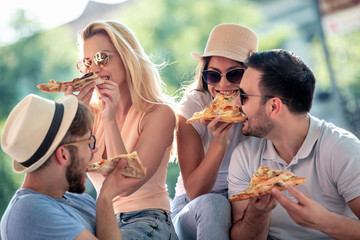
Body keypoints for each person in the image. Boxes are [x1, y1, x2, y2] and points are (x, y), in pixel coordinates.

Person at [228, 49, 360, 239]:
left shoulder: (341, 148)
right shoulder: (244, 156)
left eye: (243, 96)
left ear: (274, 107)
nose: (235, 104)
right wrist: (258, 212)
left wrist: (324, 221)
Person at [67, 21, 178, 239]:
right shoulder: (89, 114)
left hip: (149, 220)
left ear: (127, 57)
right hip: (101, 222)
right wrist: (71, 119)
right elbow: (69, 179)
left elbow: (127, 184)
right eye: (87, 63)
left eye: (102, 58)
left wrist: (110, 118)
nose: (95, 69)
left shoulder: (159, 114)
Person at [171, 23, 258, 239]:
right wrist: (219, 142)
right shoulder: (193, 108)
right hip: (195, 206)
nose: (223, 84)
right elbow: (195, 192)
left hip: (242, 197)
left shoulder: (262, 106)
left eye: (234, 75)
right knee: (214, 204)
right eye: (213, 75)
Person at [0, 94, 125, 239]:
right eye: (88, 142)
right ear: (63, 154)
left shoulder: (78, 199)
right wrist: (105, 197)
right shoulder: (28, 210)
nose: (94, 149)